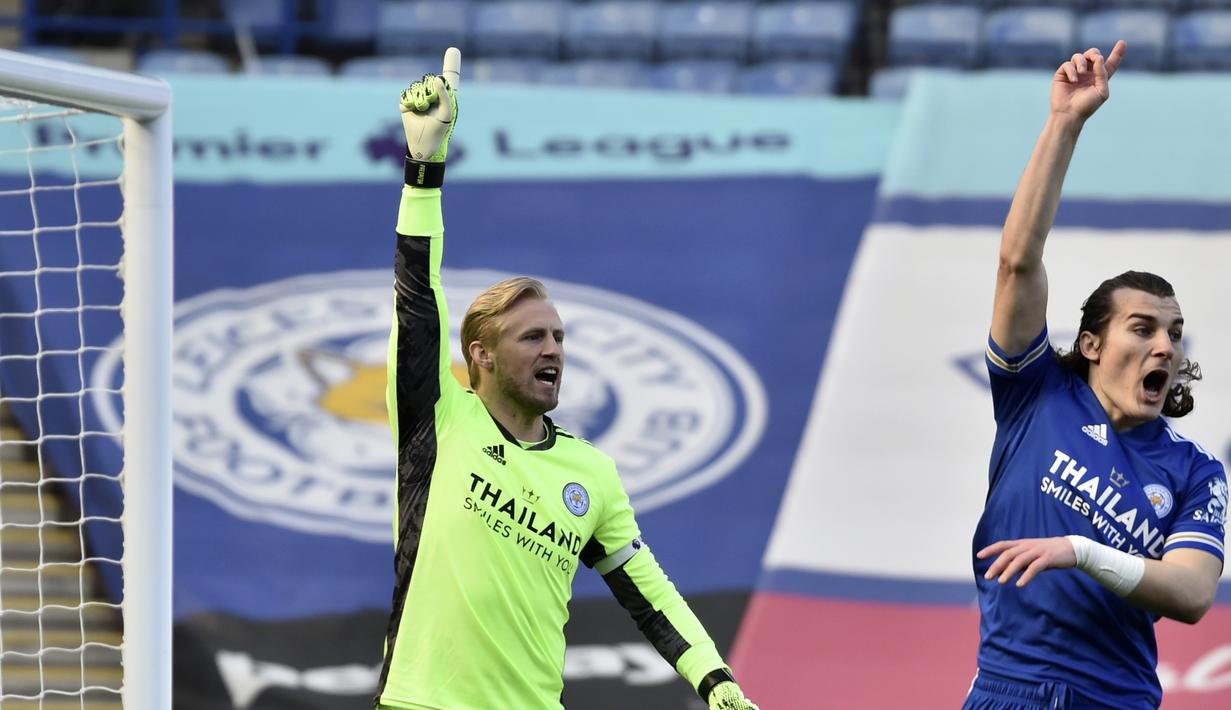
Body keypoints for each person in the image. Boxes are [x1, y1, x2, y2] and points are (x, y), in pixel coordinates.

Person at [373, 48, 759, 710]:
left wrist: (713, 677)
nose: (554, 348)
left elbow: (649, 593)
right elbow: (416, 295)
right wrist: (424, 170)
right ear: (482, 355)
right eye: (533, 337)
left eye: (559, 337)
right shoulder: (438, 420)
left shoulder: (591, 475)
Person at [969, 40, 1227, 709]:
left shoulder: (1195, 472)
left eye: (1172, 332)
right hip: (1008, 692)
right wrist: (1064, 123)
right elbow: (1016, 263)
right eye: (1141, 328)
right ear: (1088, 342)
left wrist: (1081, 551)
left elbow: (1193, 594)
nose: (1164, 345)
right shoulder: (1035, 396)